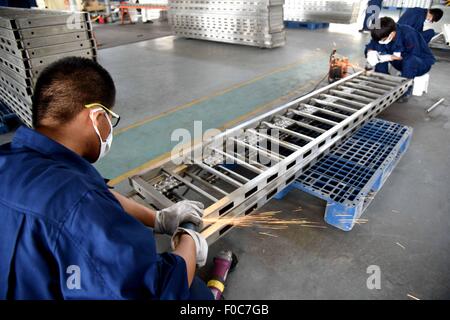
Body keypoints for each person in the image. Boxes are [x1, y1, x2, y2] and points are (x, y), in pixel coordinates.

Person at [0, 57, 212, 300]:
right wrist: (189, 241)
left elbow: (98, 192)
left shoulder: (15, 158)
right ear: (98, 117)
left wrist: (159, 219)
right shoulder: (79, 203)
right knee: (197, 295)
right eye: (111, 121)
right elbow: (159, 289)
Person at [365, 17, 436, 102]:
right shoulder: (380, 33)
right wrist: (370, 53)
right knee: (378, 57)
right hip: (399, 63)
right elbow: (372, 45)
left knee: (409, 60)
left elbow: (413, 55)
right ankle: (381, 81)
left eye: (383, 39)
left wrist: (389, 57)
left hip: (420, 65)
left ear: (392, 34)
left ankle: (405, 91)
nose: (381, 41)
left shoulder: (409, 33)